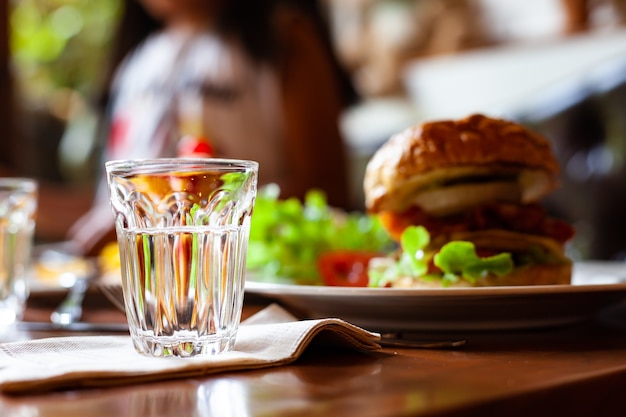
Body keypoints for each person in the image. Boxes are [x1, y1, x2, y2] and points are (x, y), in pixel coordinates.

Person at [68, 0, 358, 256]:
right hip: (139, 289)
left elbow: (328, 190)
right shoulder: (136, 61)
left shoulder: (282, 41)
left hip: (245, 284)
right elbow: (105, 208)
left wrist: (171, 218)